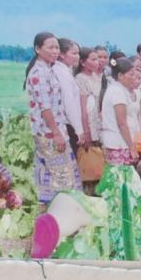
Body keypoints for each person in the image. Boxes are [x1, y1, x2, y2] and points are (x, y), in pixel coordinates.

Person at [23, 32, 82, 259]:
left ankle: (50, 233)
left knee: (50, 184)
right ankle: (58, 234)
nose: (55, 52)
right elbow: (46, 109)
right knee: (65, 184)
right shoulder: (38, 73)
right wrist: (57, 133)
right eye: (51, 48)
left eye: (57, 48)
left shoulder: (49, 69)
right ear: (38, 49)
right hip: (50, 135)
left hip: (51, 133)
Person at [101, 52, 141, 170]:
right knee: (121, 180)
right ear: (120, 76)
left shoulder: (119, 89)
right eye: (131, 74)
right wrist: (131, 148)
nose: (134, 77)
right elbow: (122, 124)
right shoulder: (117, 92)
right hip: (119, 143)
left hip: (121, 142)